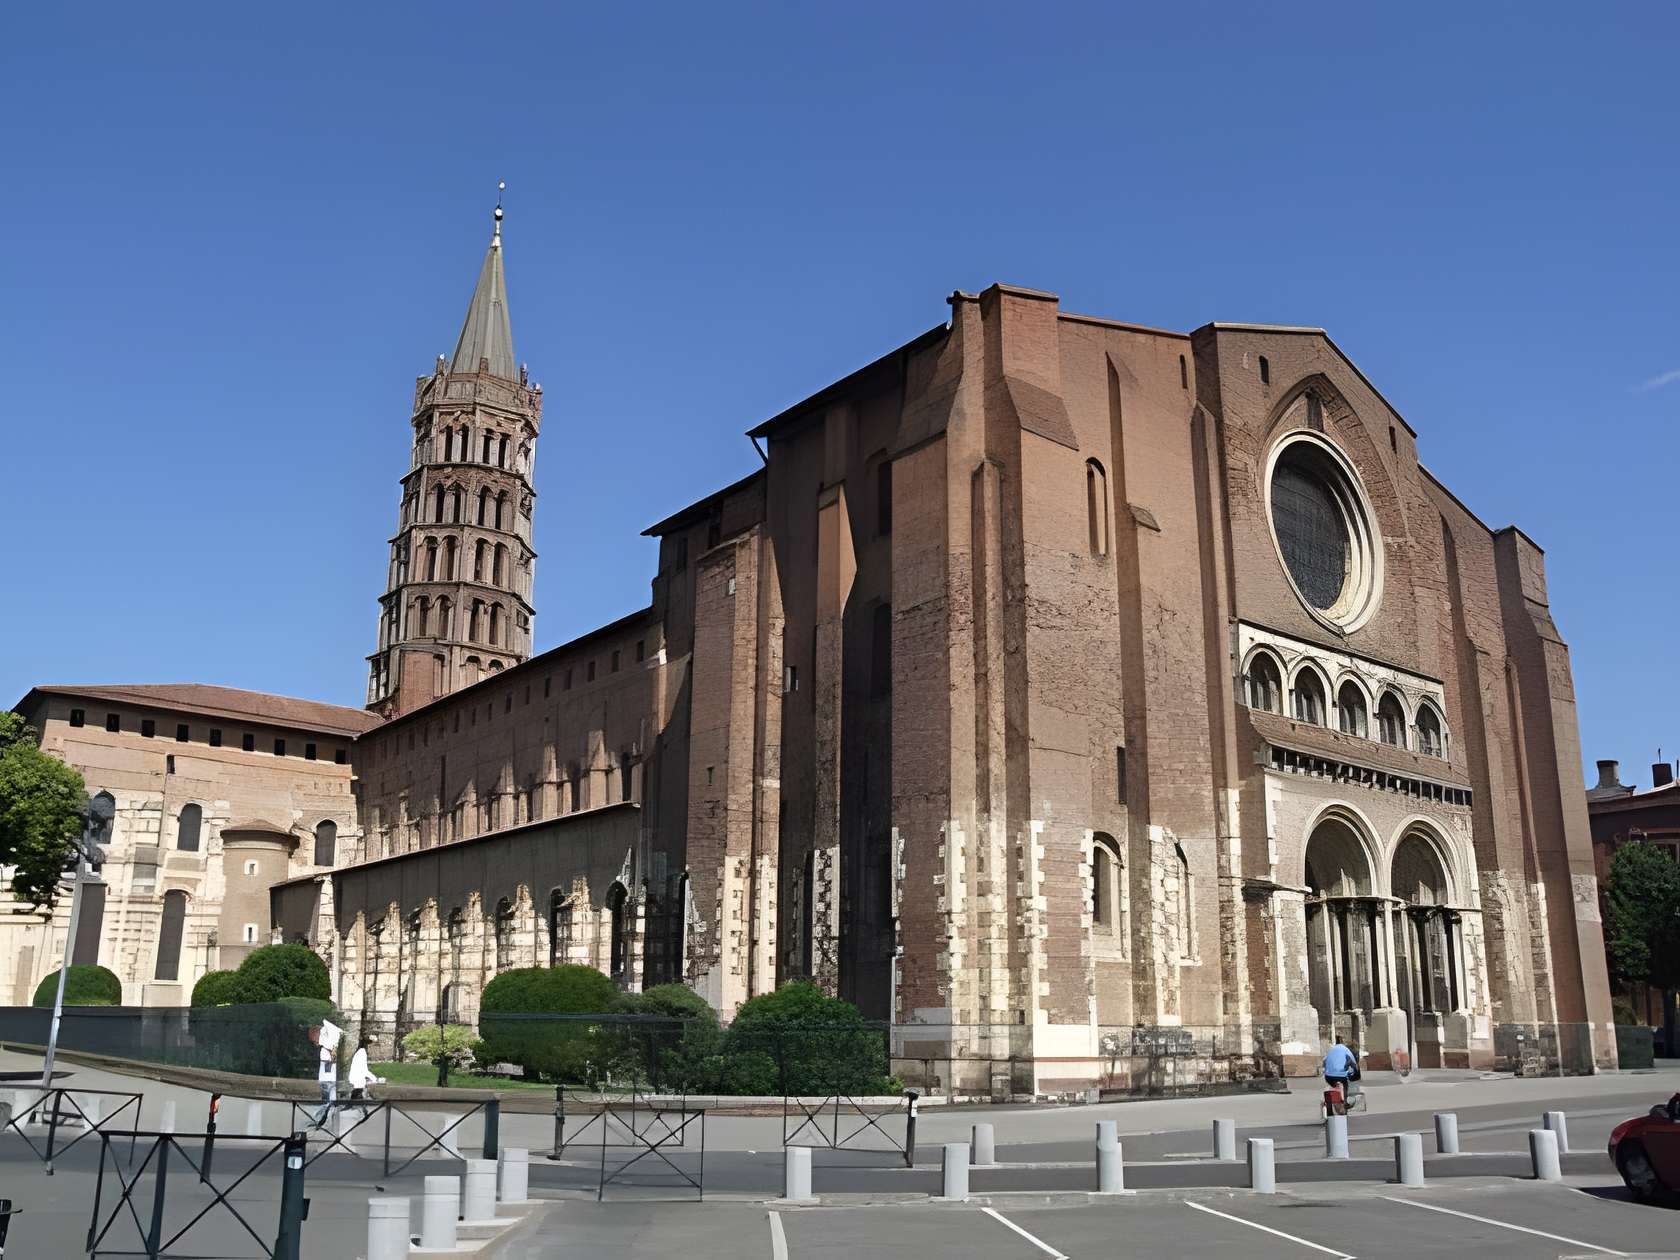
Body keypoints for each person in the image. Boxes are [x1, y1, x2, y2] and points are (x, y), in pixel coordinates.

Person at [309, 1019, 342, 1129]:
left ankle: (321, 1121)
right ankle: (322, 1121)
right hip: (328, 1077)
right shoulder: (326, 1047)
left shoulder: (328, 1044)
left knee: (328, 1102)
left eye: (315, 1041)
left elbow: (331, 1058)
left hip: (328, 1078)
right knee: (328, 1101)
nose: (315, 1043)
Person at [346, 1037, 382, 1116]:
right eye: (370, 1046)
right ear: (367, 1045)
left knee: (357, 1095)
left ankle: (362, 1111)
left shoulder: (359, 1052)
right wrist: (374, 1079)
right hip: (358, 1079)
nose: (371, 1048)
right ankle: (363, 1111)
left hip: (356, 1078)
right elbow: (364, 1070)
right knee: (358, 1095)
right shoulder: (362, 1053)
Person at [1323, 1035, 1358, 1109]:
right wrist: (1355, 1072)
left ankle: (1331, 1102)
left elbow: (1324, 1061)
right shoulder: (1346, 1050)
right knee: (1345, 1085)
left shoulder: (1331, 1049)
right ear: (1343, 1042)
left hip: (1328, 1076)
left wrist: (1327, 1070)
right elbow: (1353, 1063)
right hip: (1341, 1076)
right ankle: (1345, 1103)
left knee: (1333, 1085)